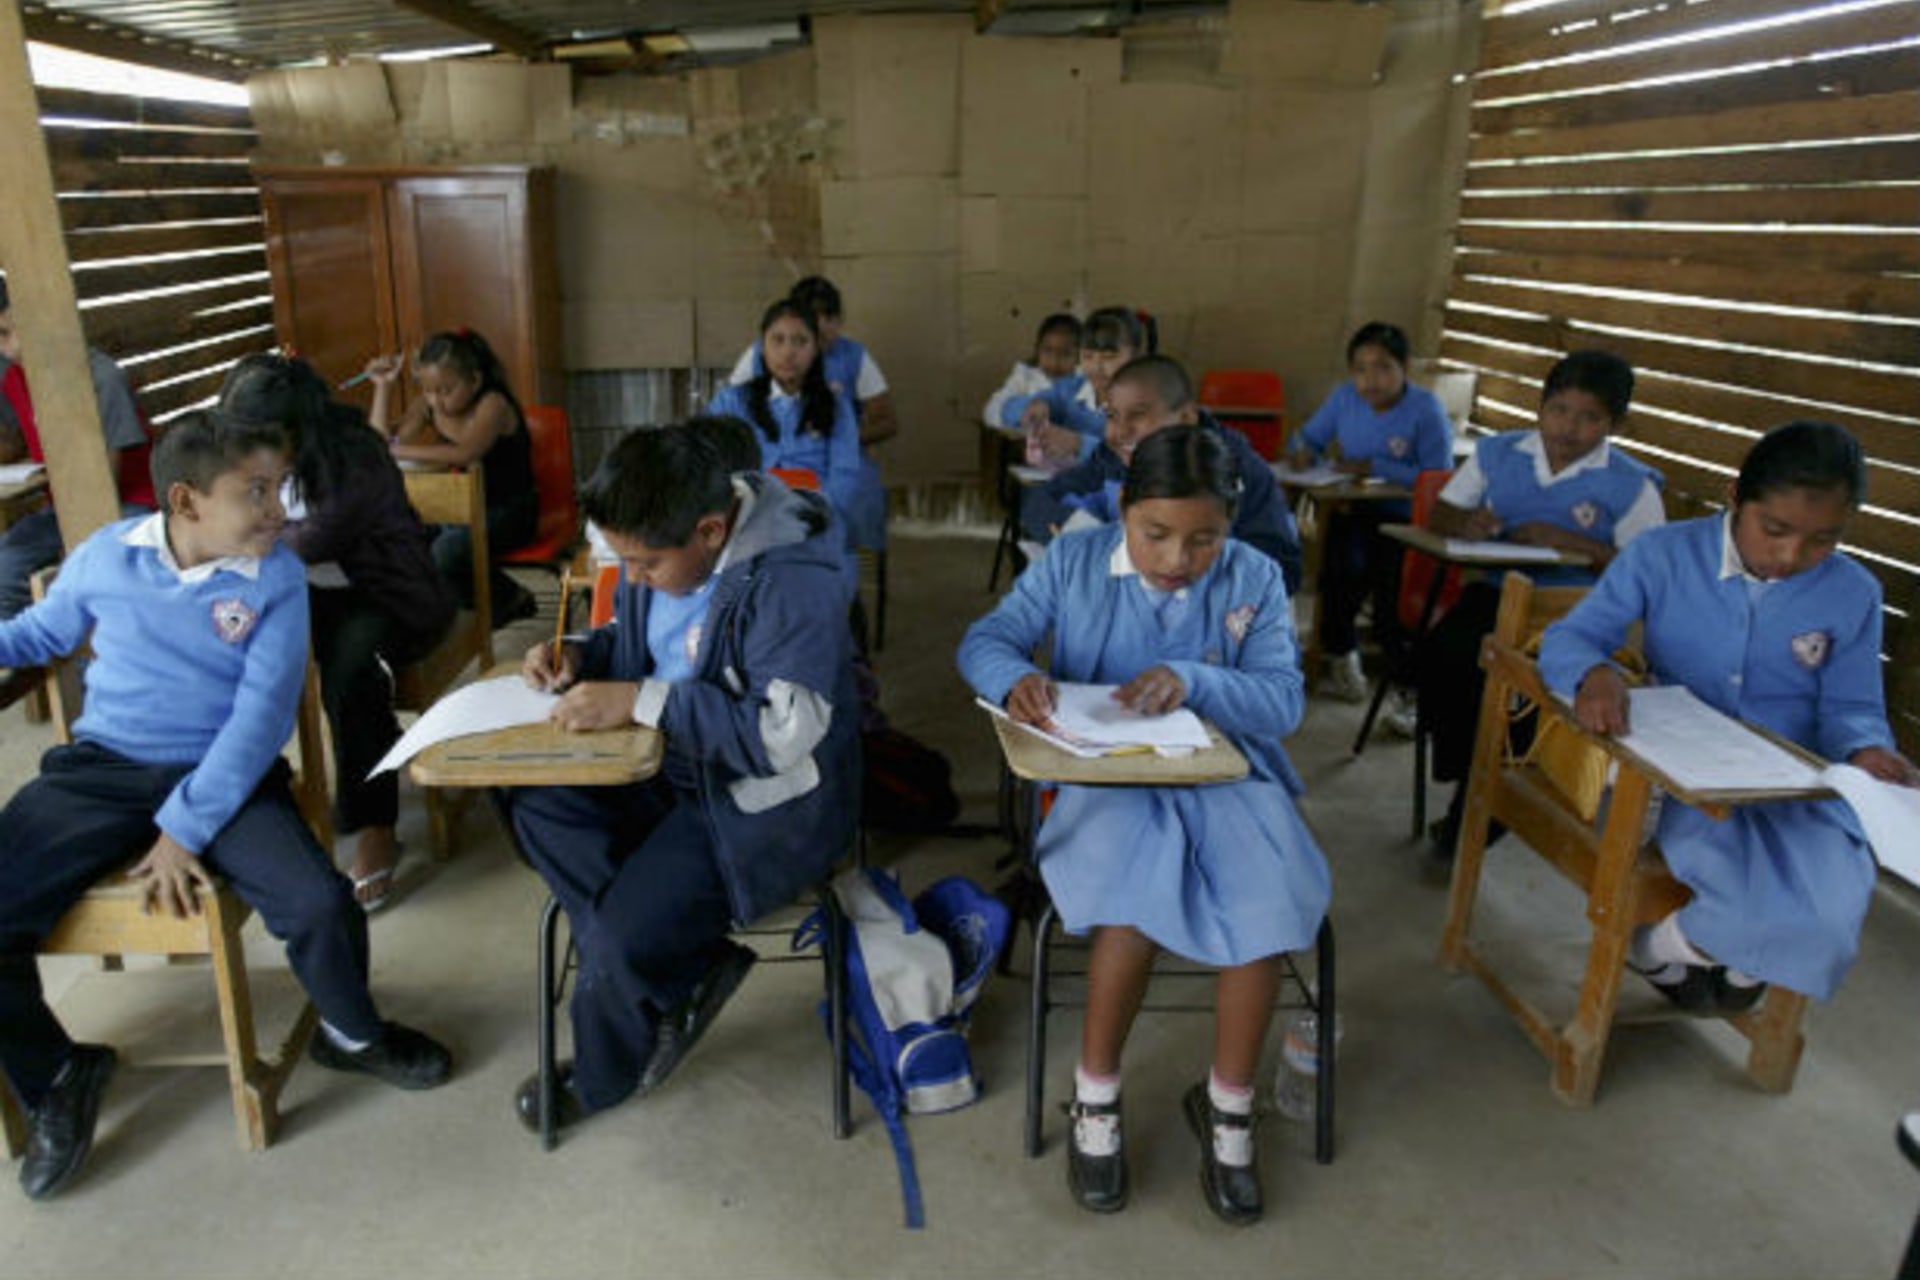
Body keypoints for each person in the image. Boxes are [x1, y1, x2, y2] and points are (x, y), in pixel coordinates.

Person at [0, 409, 453, 1202]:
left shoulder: (274, 576)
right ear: (185, 501)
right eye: (256, 491)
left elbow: (261, 722)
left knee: (318, 902)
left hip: (225, 770)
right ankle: (58, 1076)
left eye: (281, 488)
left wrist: (183, 827)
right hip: (102, 768)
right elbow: (38, 635)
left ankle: (353, 1033)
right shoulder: (106, 558)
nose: (279, 510)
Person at [957, 426, 1330, 1225]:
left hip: (1230, 781)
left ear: (1230, 525)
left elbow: (1282, 700)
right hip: (1107, 782)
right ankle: (1096, 1096)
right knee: (1132, 903)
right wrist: (1017, 675)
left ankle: (1230, 1109)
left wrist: (1197, 680)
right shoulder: (1076, 560)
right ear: (1124, 509)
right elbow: (986, 639)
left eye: (1203, 539)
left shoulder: (1255, 575)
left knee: (1265, 912)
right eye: (1155, 534)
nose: (1175, 559)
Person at [497, 420, 860, 1133]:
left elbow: (779, 737)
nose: (630, 578)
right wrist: (579, 654)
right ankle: (684, 965)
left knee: (622, 933)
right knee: (533, 803)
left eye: (644, 565)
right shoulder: (662, 546)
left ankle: (611, 1067)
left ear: (711, 530)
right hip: (665, 760)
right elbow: (651, 646)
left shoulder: (789, 583)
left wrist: (639, 700)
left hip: (756, 801)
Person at [1542, 420, 1918, 1015]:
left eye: (1824, 540)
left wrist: (1867, 748)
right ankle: (1701, 956)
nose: (1792, 556)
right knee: (1739, 889)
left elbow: (1852, 707)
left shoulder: (1853, 592)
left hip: (1800, 785)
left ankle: (1662, 947)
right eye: (1775, 529)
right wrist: (1596, 673)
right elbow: (1572, 637)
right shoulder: (1662, 555)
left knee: (1832, 910)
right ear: (1735, 496)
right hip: (1695, 781)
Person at [219, 354, 456, 910]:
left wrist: (240, 530)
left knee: (351, 672)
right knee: (227, 651)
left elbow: (308, 542)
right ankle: (253, 809)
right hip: (304, 592)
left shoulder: (354, 456)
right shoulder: (249, 457)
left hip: (387, 596)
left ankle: (375, 826)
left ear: (295, 430)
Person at [1417, 350, 1664, 855]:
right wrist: (1467, 524)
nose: (1569, 428)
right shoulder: (1500, 452)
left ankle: (1479, 811)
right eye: (1559, 410)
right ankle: (1470, 780)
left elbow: (1648, 575)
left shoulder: (1633, 485)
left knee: (1527, 692)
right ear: (1540, 408)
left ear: (1615, 424)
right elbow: (1442, 513)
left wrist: (1580, 546)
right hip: (1495, 594)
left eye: (1589, 417)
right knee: (1444, 655)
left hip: (1579, 616)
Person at [1020, 355, 1303, 594]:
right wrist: (1081, 529)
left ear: (1186, 418)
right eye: (1112, 415)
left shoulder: (1237, 467)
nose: (1120, 431)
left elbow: (1284, 571)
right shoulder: (1115, 455)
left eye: (1138, 415)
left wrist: (1178, 563)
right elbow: (1039, 500)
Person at [1288, 321, 1453, 704]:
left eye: (1382, 367)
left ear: (1404, 367)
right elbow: (1308, 436)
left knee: (1389, 594)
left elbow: (1436, 477)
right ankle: (1342, 653)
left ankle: (1405, 684)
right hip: (1352, 512)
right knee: (1340, 570)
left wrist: (1375, 466)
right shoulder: (1345, 399)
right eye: (1360, 369)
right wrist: (1301, 450)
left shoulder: (1425, 409)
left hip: (1405, 521)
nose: (1370, 380)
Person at [0, 275, 156, 619]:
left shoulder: (101, 377)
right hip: (62, 507)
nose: (6, 349)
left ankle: (88, 662)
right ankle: (14, 661)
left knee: (89, 574)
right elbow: (20, 443)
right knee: (7, 559)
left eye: (8, 333)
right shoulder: (14, 379)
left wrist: (80, 541)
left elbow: (105, 484)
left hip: (125, 502)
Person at [364, 328, 539, 626]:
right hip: (462, 508)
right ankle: (459, 615)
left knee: (445, 553)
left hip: (509, 510)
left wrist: (398, 451)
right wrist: (382, 387)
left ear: (475, 380)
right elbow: (379, 442)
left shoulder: (493, 404)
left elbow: (466, 453)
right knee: (403, 539)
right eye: (429, 391)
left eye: (446, 390)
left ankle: (508, 598)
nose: (436, 400)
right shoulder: (427, 406)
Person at [729, 276, 894, 550]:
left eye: (831, 318)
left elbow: (886, 420)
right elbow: (724, 422)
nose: (788, 352)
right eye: (779, 340)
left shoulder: (851, 361)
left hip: (833, 461)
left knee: (855, 490)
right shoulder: (747, 375)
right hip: (765, 463)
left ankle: (844, 559)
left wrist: (838, 440)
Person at [708, 300, 863, 539]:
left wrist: (812, 519)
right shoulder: (733, 401)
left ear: (816, 348)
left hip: (816, 530)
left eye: (800, 341)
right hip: (745, 530)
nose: (788, 352)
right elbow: (708, 462)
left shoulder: (836, 407)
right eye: (777, 340)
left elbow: (846, 476)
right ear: (762, 346)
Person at [997, 306, 1155, 467]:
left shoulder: (1146, 406)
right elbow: (1007, 409)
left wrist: (1079, 444)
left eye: (1109, 357)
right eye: (1088, 356)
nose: (1096, 366)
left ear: (1136, 356)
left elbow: (1135, 462)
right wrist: (1030, 407)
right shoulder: (1070, 391)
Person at [982, 312, 1082, 428]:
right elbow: (991, 410)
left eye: (1065, 354)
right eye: (1048, 351)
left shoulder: (1086, 381)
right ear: (1037, 350)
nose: (1054, 362)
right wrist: (1022, 410)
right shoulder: (1025, 377)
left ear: (1080, 356)